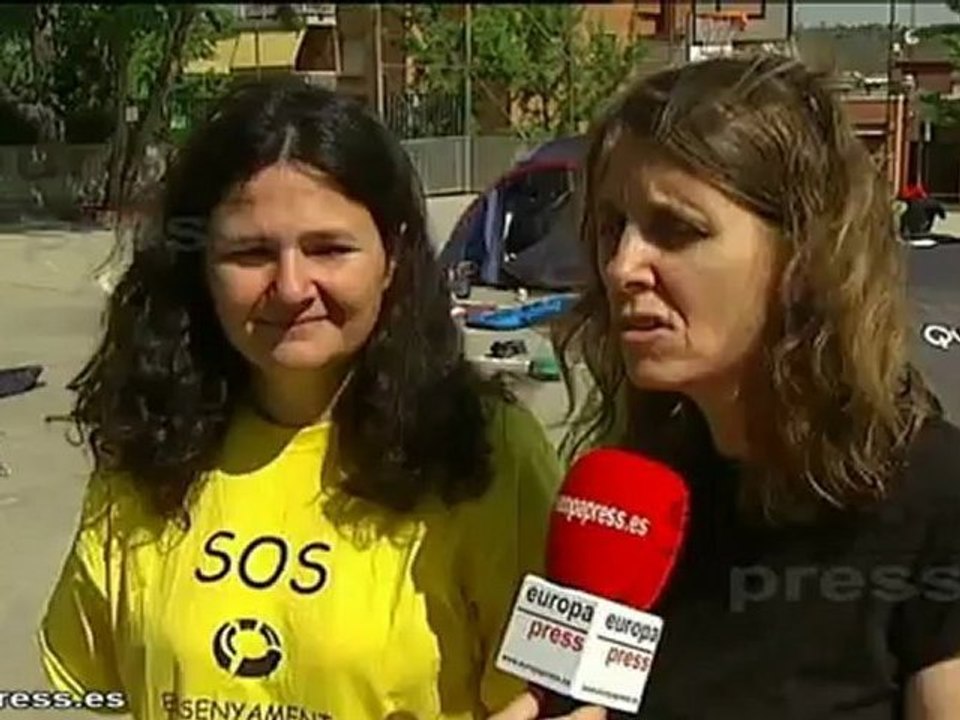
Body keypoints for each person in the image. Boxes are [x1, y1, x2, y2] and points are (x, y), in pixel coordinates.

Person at [38, 78, 564, 720]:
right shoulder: (146, 447)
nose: (290, 287)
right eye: (251, 252)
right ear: (199, 262)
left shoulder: (485, 452)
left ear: (392, 258)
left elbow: (546, 701)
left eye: (329, 248)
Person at [499, 54, 960, 719]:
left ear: (804, 255)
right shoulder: (632, 494)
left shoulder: (935, 504)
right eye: (611, 228)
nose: (623, 266)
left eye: (677, 229)